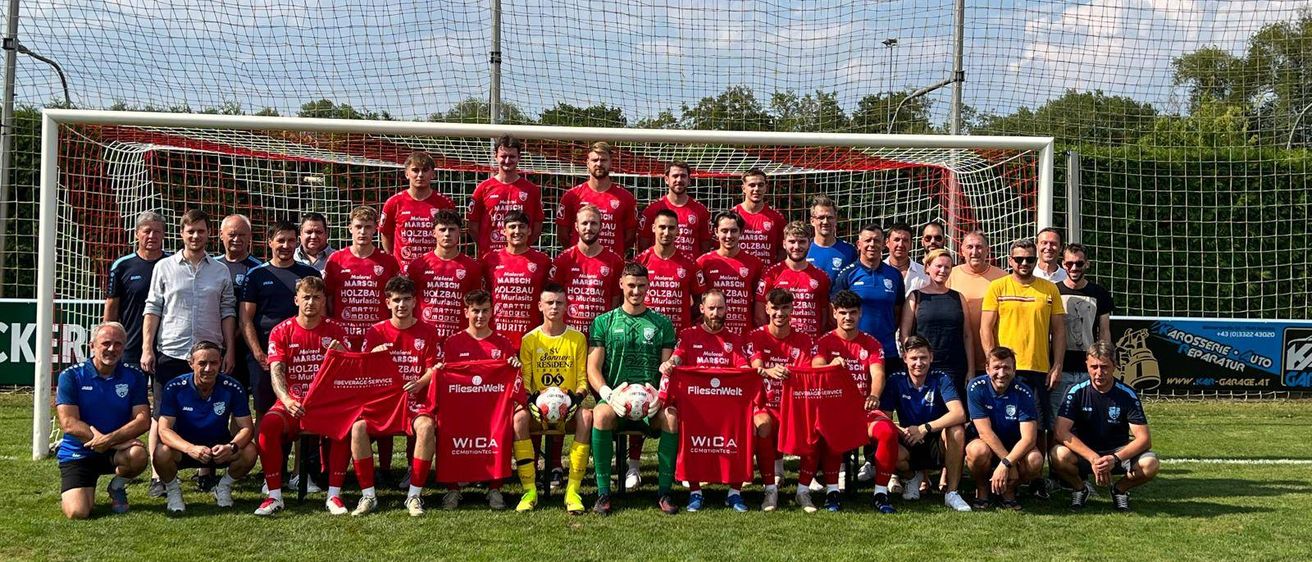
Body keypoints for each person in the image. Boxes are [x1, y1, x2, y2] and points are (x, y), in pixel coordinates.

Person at [141, 209, 237, 497]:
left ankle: (205, 470)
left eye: (201, 231)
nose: (196, 236)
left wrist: (229, 348)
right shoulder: (164, 267)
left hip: (209, 354)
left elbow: (228, 311)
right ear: (181, 234)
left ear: (209, 235)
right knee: (161, 415)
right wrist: (147, 348)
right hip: (172, 350)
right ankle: (159, 474)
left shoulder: (220, 270)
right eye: (190, 231)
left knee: (209, 411)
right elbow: (153, 308)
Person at [587, 263, 679, 515]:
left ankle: (664, 492)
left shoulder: (662, 324)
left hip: (651, 403)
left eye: (641, 285)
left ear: (648, 286)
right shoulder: (603, 322)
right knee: (600, 414)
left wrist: (661, 396)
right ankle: (603, 493)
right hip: (617, 401)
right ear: (621, 284)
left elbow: (667, 368)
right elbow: (593, 368)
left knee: (671, 417)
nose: (636, 291)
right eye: (631, 285)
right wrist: (608, 395)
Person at [254, 276, 347, 516]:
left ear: (324, 300)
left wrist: (343, 354)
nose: (311, 302)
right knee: (268, 426)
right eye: (306, 297)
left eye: (317, 297)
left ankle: (334, 495)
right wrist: (286, 399)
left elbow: (349, 371)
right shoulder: (281, 331)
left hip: (326, 404)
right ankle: (274, 495)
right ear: (296, 299)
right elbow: (276, 371)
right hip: (293, 401)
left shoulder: (335, 330)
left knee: (348, 426)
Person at [980, 238, 1066, 498]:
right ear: (1010, 261)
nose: (1025, 263)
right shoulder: (997, 287)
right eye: (1019, 259)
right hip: (1005, 372)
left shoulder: (1049, 289)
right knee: (998, 423)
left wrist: (1057, 364)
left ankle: (1034, 479)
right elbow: (985, 327)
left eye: (1030, 259)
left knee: (1037, 427)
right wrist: (991, 362)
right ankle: (996, 471)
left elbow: (1059, 331)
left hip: (1038, 368)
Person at [435, 289, 535, 511]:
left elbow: (514, 379)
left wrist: (514, 367)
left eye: (485, 311)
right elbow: (443, 377)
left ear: (492, 312)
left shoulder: (502, 343)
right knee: (447, 425)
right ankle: (453, 489)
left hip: (493, 409)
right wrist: (441, 370)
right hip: (461, 407)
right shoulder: (453, 343)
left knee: (500, 426)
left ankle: (495, 488)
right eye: (475, 311)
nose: (480, 316)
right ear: (466, 312)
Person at [661, 290, 751, 512]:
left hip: (726, 406)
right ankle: (695, 492)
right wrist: (669, 364)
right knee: (690, 432)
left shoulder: (734, 339)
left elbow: (744, 369)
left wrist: (753, 372)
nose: (716, 313)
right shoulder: (689, 335)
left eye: (720, 308)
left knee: (742, 426)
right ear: (702, 309)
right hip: (696, 406)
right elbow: (677, 357)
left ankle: (735, 492)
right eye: (711, 308)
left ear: (727, 309)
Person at [359, 275, 441, 516]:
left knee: (426, 427)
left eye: (406, 299)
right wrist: (373, 354)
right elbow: (362, 370)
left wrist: (420, 383)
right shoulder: (375, 332)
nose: (401, 305)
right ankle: (368, 496)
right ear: (387, 303)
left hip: (415, 401)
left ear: (415, 302)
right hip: (384, 402)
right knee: (357, 428)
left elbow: (433, 368)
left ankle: (414, 495)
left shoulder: (427, 331)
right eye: (396, 300)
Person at [813, 290, 899, 513]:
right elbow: (815, 369)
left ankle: (880, 493)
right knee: (829, 430)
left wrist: (874, 396)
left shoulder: (871, 343)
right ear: (834, 313)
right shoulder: (824, 342)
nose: (847, 318)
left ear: (860, 313)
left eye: (852, 313)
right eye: (842, 313)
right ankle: (832, 491)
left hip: (864, 409)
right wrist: (831, 365)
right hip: (835, 409)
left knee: (887, 432)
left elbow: (878, 374)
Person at [55, 322, 150, 519]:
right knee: (78, 512)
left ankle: (117, 487)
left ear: (124, 347)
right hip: (79, 452)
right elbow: (68, 422)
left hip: (114, 451)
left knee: (138, 455)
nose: (111, 349)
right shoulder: (71, 376)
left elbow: (143, 420)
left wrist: (109, 441)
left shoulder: (135, 376)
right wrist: (108, 441)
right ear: (92, 346)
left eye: (117, 344)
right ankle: (82, 489)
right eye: (106, 343)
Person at [154, 340, 258, 513]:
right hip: (185, 449)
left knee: (250, 451)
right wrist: (190, 448)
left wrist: (230, 447)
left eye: (214, 363)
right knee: (161, 452)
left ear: (220, 362)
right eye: (202, 363)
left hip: (218, 450)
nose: (209, 369)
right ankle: (173, 491)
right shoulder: (174, 387)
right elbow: (164, 430)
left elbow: (247, 428)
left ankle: (223, 486)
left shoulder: (232, 387)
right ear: (191, 364)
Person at [1052, 342, 1158, 511]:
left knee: (1150, 463)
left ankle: (1119, 490)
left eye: (1104, 367)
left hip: (1117, 454)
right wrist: (1094, 458)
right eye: (1094, 367)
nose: (1099, 372)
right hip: (1086, 455)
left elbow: (1144, 439)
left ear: (1115, 366)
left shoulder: (1127, 394)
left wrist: (1114, 459)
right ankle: (1080, 488)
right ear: (1086, 365)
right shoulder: (1076, 391)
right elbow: (1060, 431)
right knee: (1057, 454)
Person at [520, 283, 594, 514]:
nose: (554, 307)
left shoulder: (578, 338)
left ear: (566, 306)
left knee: (587, 417)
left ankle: (572, 491)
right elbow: (524, 380)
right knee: (518, 420)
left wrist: (574, 399)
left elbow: (583, 381)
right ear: (540, 306)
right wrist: (533, 400)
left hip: (567, 409)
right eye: (549, 302)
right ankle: (529, 491)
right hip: (538, 409)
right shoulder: (529, 339)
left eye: (559, 303)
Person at [878, 336, 971, 511]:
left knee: (957, 430)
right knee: (884, 436)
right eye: (913, 358)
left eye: (923, 357)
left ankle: (952, 493)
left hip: (935, 438)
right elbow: (884, 417)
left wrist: (924, 428)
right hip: (908, 438)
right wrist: (902, 431)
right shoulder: (895, 380)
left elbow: (959, 413)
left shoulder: (941, 378)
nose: (918, 363)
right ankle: (911, 477)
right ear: (905, 358)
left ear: (931, 358)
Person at [241, 220, 323, 415]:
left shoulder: (309, 273)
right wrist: (258, 353)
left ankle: (307, 447)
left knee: (305, 407)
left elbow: (321, 312)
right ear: (270, 242)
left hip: (303, 354)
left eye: (291, 241)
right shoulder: (256, 275)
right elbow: (245, 319)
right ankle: (266, 446)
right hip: (265, 354)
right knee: (265, 410)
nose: (286, 246)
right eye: (280, 240)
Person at [744, 289, 813, 512]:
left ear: (792, 309)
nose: (779, 313)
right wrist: (768, 371)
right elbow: (755, 367)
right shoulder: (756, 336)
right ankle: (770, 489)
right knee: (762, 425)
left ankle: (803, 491)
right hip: (766, 404)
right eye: (774, 308)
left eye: (785, 308)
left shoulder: (803, 340)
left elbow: (810, 372)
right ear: (767, 309)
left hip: (795, 406)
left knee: (815, 427)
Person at [965, 346, 1044, 511]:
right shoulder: (976, 387)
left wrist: (1007, 463)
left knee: (1035, 460)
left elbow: (1029, 438)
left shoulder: (1024, 392)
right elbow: (984, 432)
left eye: (1006, 367)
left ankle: (1008, 490)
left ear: (1014, 370)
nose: (1001, 373)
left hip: (1013, 446)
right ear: (987, 368)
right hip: (986, 444)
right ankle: (983, 489)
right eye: (996, 367)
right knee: (976, 451)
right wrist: (1008, 464)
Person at [324, 205, 401, 351]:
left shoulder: (388, 261)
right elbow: (328, 297)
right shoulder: (336, 259)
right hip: (345, 334)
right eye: (358, 226)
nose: (363, 232)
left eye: (368, 227)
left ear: (375, 229)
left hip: (378, 334)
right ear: (350, 228)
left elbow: (396, 297)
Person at [899, 248, 975, 393]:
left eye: (947, 267)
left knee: (955, 412)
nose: (943, 270)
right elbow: (905, 334)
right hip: (923, 366)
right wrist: (913, 361)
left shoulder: (959, 298)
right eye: (938, 266)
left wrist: (970, 370)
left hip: (954, 367)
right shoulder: (915, 297)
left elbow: (967, 335)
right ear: (927, 268)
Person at [832, 224, 905, 373]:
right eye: (867, 241)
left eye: (876, 241)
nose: (872, 245)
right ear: (859, 244)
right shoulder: (847, 274)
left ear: (884, 244)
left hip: (887, 350)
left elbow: (898, 312)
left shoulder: (894, 275)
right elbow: (834, 312)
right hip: (854, 351)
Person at [1053, 243, 1115, 414]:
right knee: (1056, 418)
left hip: (1089, 367)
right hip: (1060, 366)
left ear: (1087, 264)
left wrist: (1104, 361)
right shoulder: (1054, 291)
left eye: (1079, 263)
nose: (1074, 268)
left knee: (1089, 418)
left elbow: (1104, 330)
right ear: (1063, 263)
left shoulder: (1099, 293)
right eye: (1069, 263)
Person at [406, 209, 484, 340]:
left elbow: (476, 305)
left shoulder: (472, 267)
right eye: (442, 230)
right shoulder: (417, 265)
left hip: (458, 337)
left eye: (452, 229)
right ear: (433, 233)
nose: (447, 234)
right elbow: (408, 302)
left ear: (460, 232)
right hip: (423, 336)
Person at [104, 211, 165, 370]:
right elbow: (112, 306)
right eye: (147, 231)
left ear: (164, 234)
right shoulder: (122, 266)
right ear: (137, 234)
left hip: (165, 346)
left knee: (163, 394)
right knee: (129, 393)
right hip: (131, 345)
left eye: (157, 231)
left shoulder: (173, 264)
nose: (152, 236)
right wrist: (109, 337)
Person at [555, 141, 637, 258]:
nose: (599, 163)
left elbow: (630, 238)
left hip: (612, 264)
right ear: (587, 163)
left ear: (611, 163)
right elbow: (563, 236)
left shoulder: (626, 198)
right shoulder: (572, 196)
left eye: (603, 160)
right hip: (579, 264)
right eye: (594, 160)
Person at [484, 210, 552, 349]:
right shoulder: (490, 260)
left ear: (529, 231)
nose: (517, 231)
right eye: (512, 227)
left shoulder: (543, 261)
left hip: (533, 336)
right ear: (503, 231)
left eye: (522, 227)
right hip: (497, 337)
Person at [552, 204, 625, 334]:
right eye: (584, 223)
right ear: (576, 226)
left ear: (601, 226)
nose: (588, 228)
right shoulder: (563, 260)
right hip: (568, 334)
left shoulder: (615, 261)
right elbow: (553, 300)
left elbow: (616, 301)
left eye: (594, 223)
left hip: (600, 335)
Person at [467, 135, 544, 255]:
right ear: (495, 157)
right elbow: (472, 227)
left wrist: (520, 247)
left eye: (512, 156)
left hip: (520, 257)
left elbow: (537, 228)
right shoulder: (482, 188)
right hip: (491, 257)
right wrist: (486, 247)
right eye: (503, 156)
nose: (507, 161)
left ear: (520, 157)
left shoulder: (532, 190)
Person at [380, 151, 457, 268]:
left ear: (433, 174)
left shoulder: (444, 203)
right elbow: (386, 234)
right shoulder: (394, 202)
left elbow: (452, 234)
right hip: (404, 269)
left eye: (425, 170)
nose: (420, 175)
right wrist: (394, 262)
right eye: (415, 170)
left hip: (435, 268)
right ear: (406, 174)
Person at [946, 230, 1007, 376]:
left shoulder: (1003, 278)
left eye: (979, 247)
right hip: (957, 357)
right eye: (970, 247)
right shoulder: (950, 275)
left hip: (993, 360)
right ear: (962, 250)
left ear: (987, 250)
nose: (975, 251)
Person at [755, 221, 830, 338]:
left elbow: (825, 317)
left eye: (801, 242)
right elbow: (760, 313)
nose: (796, 247)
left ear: (809, 244)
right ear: (784, 244)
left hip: (810, 344)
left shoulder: (821, 276)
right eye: (792, 242)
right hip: (780, 344)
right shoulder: (771, 273)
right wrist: (771, 339)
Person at [636, 208, 703, 334]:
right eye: (662, 227)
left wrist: (686, 318)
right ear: (653, 228)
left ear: (678, 231)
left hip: (678, 334)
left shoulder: (690, 263)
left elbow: (700, 299)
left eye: (671, 228)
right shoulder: (641, 261)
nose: (666, 232)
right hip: (647, 332)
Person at [697, 211, 764, 336]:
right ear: (716, 232)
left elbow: (759, 301)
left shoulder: (755, 264)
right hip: (712, 333)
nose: (729, 236)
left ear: (741, 232)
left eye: (733, 231)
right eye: (724, 231)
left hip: (743, 334)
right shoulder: (703, 262)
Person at [217, 214, 262, 400]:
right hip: (215, 343)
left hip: (246, 346)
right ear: (221, 235)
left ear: (250, 236)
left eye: (242, 235)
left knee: (242, 399)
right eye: (232, 234)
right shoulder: (212, 266)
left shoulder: (258, 269)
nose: (237, 239)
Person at [639, 161, 710, 255]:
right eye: (675, 176)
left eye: (683, 176)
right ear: (666, 179)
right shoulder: (652, 209)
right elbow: (643, 244)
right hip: (659, 267)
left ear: (689, 180)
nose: (679, 180)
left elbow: (705, 245)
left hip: (690, 268)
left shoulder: (701, 210)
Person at [732, 168, 786, 263]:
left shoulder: (776, 217)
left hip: (767, 275)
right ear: (743, 188)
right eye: (752, 185)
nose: (756, 189)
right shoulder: (733, 214)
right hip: (738, 273)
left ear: (766, 187)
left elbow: (783, 250)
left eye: (760, 185)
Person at [806, 195, 857, 282]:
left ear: (836, 220)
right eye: (821, 218)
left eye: (830, 217)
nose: (825, 222)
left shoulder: (849, 250)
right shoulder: (804, 249)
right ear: (812, 221)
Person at [885, 223, 929, 293]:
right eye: (897, 239)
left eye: (905, 240)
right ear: (887, 242)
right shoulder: (877, 271)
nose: (901, 245)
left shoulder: (924, 274)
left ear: (911, 244)